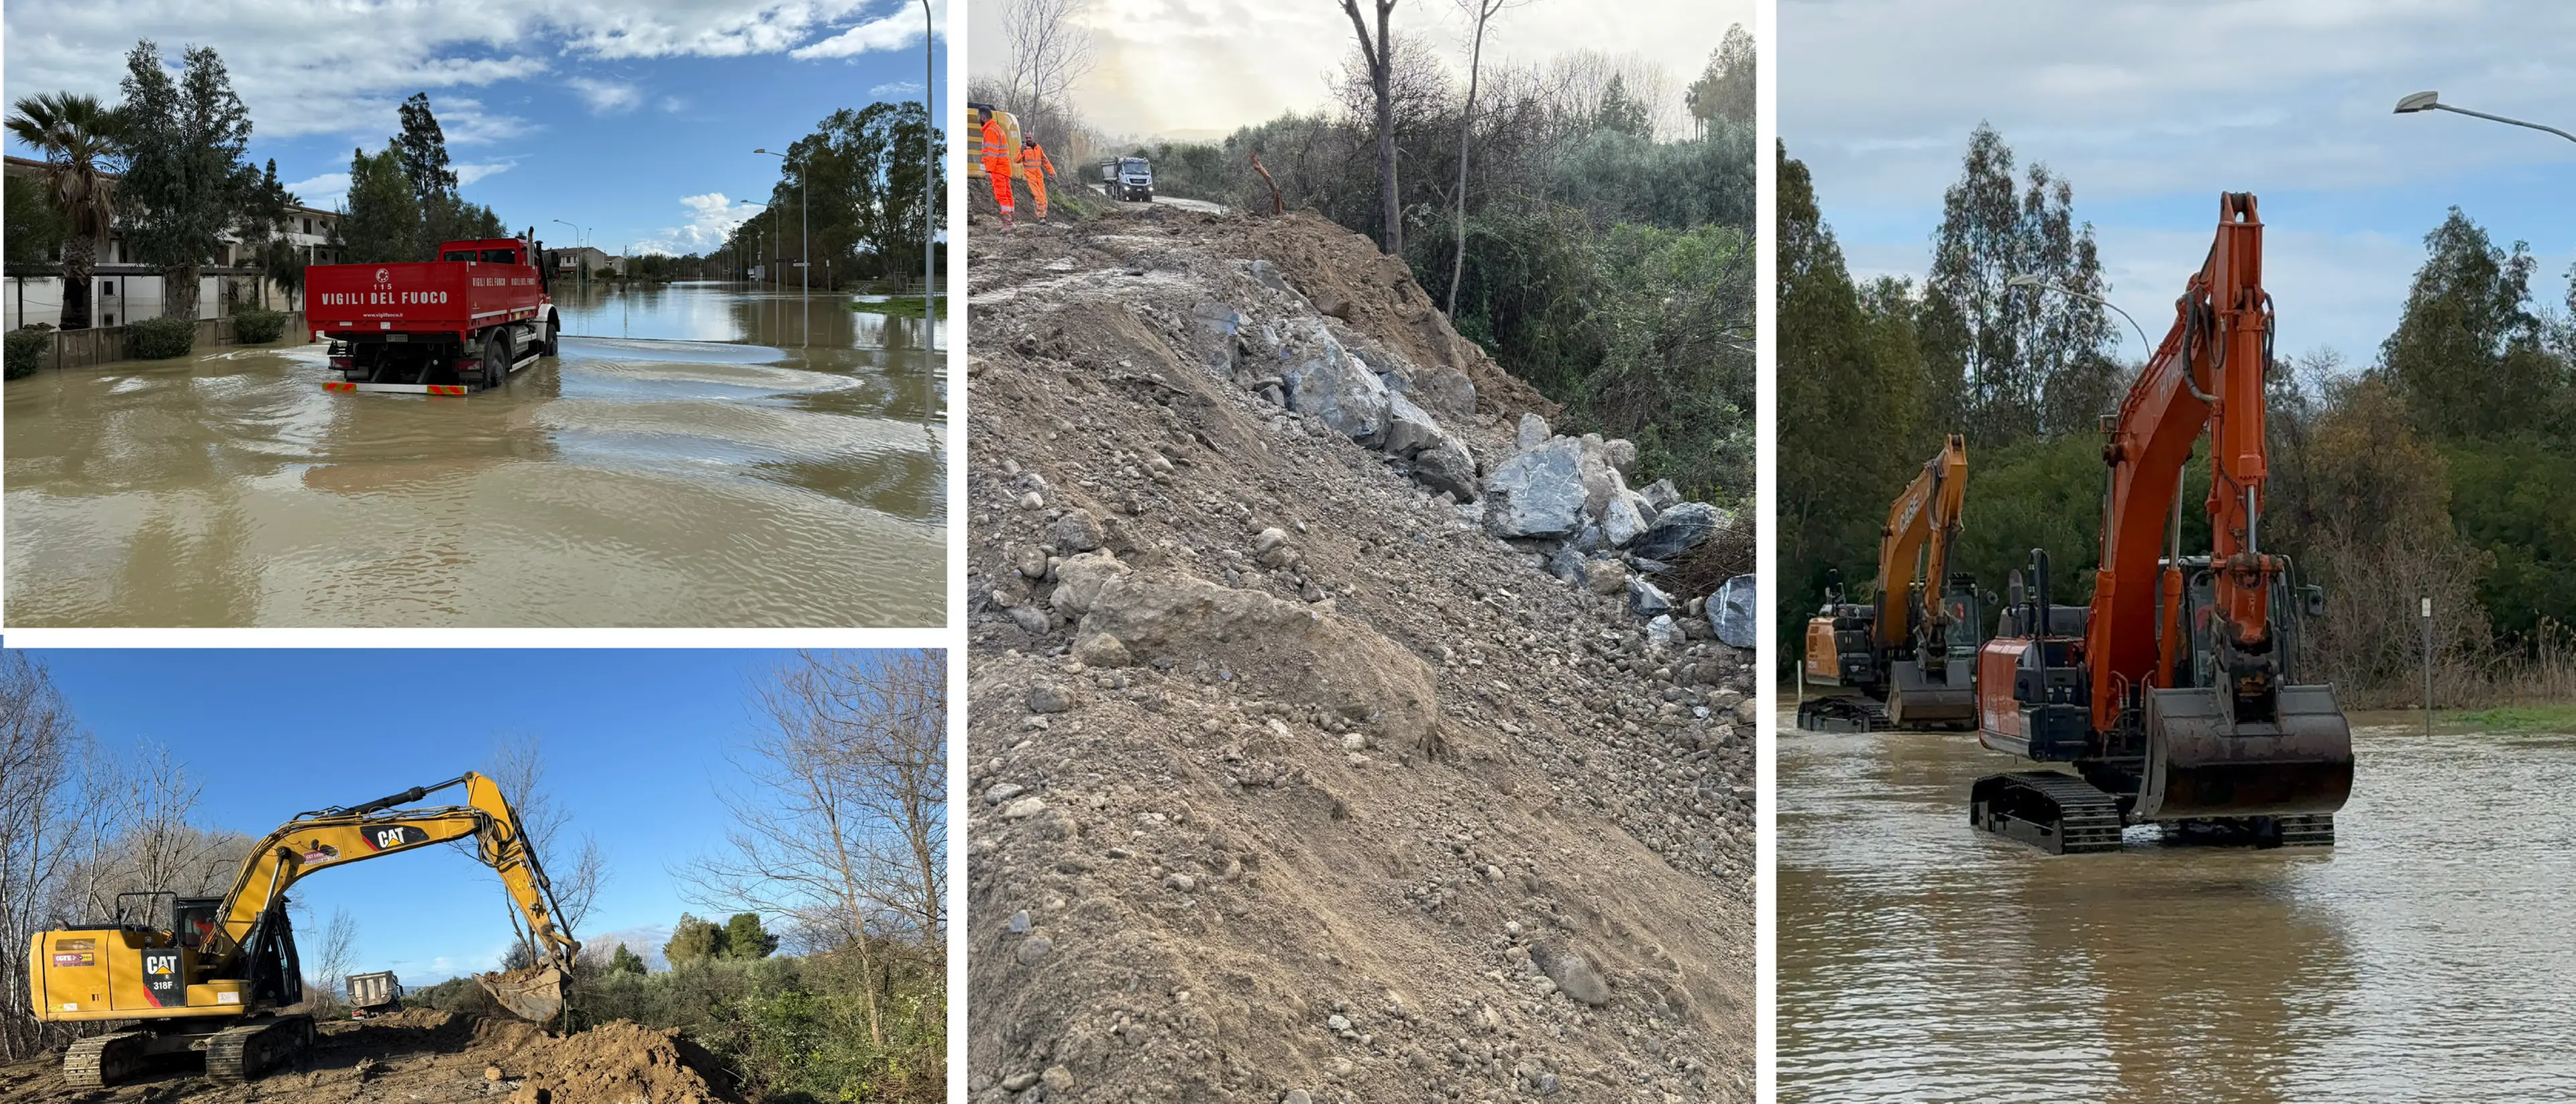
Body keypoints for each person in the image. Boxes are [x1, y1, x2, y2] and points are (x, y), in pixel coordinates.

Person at [979, 113, 1016, 230]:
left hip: (998, 169)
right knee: (1008, 195)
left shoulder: (990, 131)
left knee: (1001, 196)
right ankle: (1011, 222)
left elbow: (992, 154)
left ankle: (1008, 224)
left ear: (983, 117)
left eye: (978, 117)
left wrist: (988, 170)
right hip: (1005, 168)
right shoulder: (998, 129)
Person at [1020, 138, 1058, 223]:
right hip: (1030, 176)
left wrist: (1052, 172)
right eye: (1027, 138)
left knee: (1043, 197)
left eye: (1030, 138)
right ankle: (1041, 217)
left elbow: (1045, 161)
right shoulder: (1023, 149)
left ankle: (1043, 215)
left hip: (1039, 176)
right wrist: (1021, 152)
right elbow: (1017, 160)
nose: (1028, 139)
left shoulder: (1038, 148)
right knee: (1038, 196)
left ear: (1033, 138)